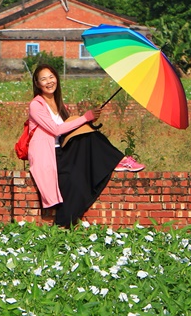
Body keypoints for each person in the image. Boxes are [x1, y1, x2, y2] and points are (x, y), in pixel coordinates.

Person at [27, 64, 144, 227]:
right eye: (44, 79)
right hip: (48, 155)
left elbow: (69, 129)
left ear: (57, 79)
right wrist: (84, 118)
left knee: (88, 136)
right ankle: (119, 159)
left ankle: (118, 160)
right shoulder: (36, 105)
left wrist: (86, 121)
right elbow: (55, 130)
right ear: (38, 84)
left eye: (51, 77)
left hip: (63, 149)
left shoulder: (60, 106)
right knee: (77, 174)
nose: (49, 82)